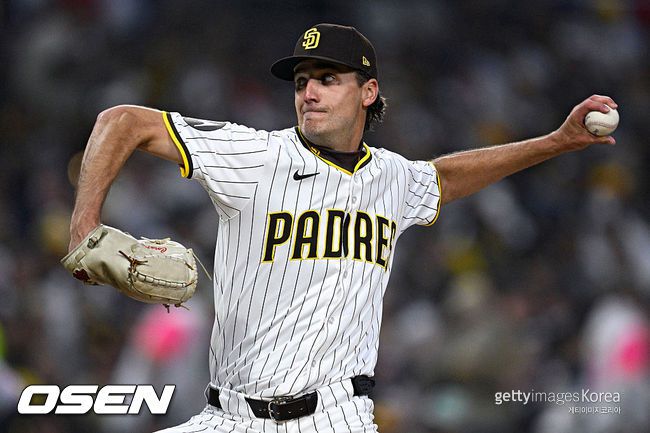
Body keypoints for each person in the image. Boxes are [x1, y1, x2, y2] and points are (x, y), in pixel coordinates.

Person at [67, 23, 618, 433]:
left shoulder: (393, 179)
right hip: (228, 416)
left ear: (368, 92)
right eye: (301, 81)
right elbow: (122, 121)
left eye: (327, 79)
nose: (308, 92)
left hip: (335, 417)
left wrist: (556, 142)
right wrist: (83, 230)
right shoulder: (256, 155)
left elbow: (445, 178)